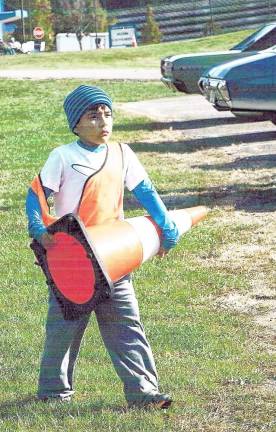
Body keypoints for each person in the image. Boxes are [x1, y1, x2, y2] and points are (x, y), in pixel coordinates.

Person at [26, 85, 179, 409]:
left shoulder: (123, 153)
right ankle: (53, 391)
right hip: (71, 260)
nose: (103, 120)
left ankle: (144, 394)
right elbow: (36, 194)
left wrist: (166, 228)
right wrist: (38, 227)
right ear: (76, 124)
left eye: (107, 113)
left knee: (126, 324)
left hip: (113, 259)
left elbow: (146, 191)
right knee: (64, 328)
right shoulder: (63, 156)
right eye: (93, 115)